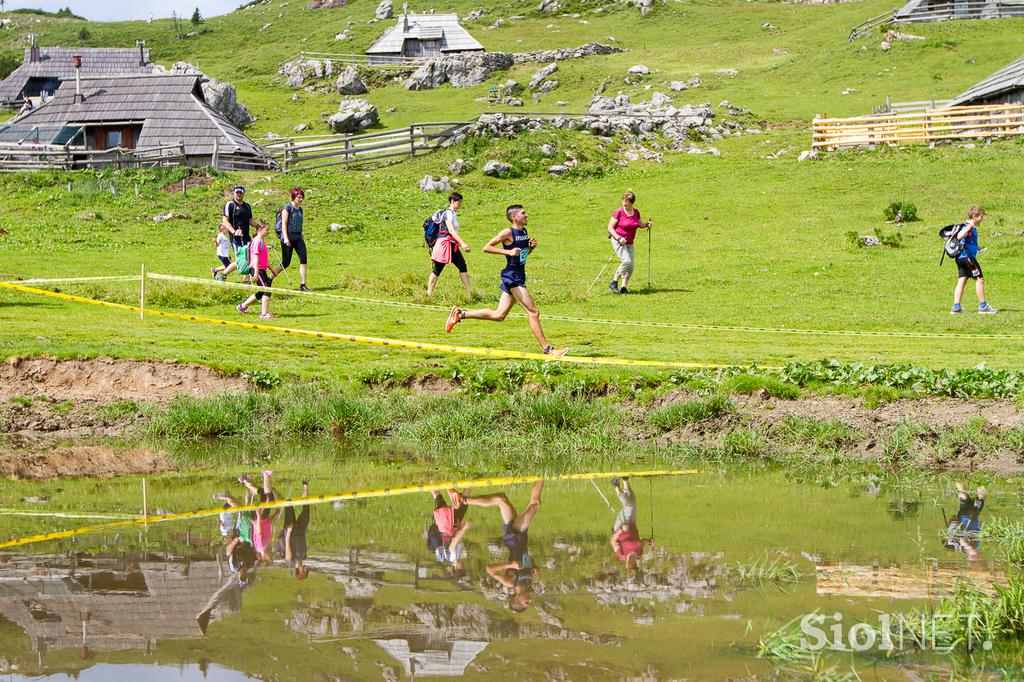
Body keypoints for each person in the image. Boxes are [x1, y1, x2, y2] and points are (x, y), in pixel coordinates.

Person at [445, 205, 568, 358]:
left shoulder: (523, 232)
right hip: (512, 277)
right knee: (533, 312)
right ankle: (549, 350)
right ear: (514, 217)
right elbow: (486, 247)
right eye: (523, 213)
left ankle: (460, 314)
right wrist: (507, 251)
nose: (527, 215)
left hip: (518, 274)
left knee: (499, 315)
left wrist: (530, 248)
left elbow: (521, 256)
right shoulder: (507, 232)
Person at [474, 481, 544, 612]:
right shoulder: (529, 582)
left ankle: (542, 472)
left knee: (535, 504)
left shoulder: (510, 582)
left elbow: (489, 569)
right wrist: (534, 567)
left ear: (517, 598)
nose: (529, 601)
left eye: (525, 603)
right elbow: (525, 559)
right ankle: (463, 500)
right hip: (521, 539)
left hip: (515, 538)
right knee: (502, 499)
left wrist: (510, 565)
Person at [951, 205, 997, 314]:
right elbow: (959, 236)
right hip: (967, 258)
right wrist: (969, 226)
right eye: (981, 216)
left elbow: (967, 241)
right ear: (974, 216)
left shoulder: (971, 226)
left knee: (962, 280)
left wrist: (977, 248)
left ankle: (956, 307)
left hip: (961, 258)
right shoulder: (969, 225)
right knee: (979, 279)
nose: (982, 218)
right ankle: (983, 307)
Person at [427, 192, 473, 298]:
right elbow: (451, 230)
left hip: (452, 244)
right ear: (453, 201)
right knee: (437, 269)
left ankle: (470, 292)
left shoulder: (453, 214)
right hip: (444, 244)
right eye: (459, 201)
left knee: (462, 265)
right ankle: (428, 295)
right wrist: (463, 243)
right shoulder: (448, 213)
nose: (461, 204)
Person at [606, 191, 652, 294]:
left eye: (626, 202)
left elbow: (639, 224)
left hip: (630, 242)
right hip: (619, 241)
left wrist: (646, 224)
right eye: (623, 201)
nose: (624, 204)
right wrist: (618, 238)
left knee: (631, 266)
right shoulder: (619, 212)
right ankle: (614, 282)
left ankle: (623, 288)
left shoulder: (636, 212)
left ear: (632, 203)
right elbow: (610, 227)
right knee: (626, 261)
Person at [609, 477, 653, 575]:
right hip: (632, 523)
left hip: (621, 526)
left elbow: (613, 542)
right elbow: (642, 542)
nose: (631, 564)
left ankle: (617, 485)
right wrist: (650, 542)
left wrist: (620, 531)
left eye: (630, 566)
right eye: (634, 566)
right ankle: (624, 481)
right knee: (633, 501)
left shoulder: (622, 555)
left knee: (629, 506)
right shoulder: (639, 554)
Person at [426, 488, 474, 576]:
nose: (463, 565)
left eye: (462, 568)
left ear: (457, 568)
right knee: (441, 499)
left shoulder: (453, 557)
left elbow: (453, 543)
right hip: (448, 524)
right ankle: (467, 485)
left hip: (447, 524)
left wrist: (465, 528)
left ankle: (434, 482)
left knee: (440, 499)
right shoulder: (452, 557)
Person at [236, 222, 274, 319]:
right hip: (257, 269)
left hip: (262, 269)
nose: (268, 232)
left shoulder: (262, 241)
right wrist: (256, 272)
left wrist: (272, 270)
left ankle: (243, 306)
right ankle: (264, 313)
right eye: (267, 229)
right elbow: (255, 257)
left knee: (261, 292)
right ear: (260, 230)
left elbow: (264, 259)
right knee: (267, 289)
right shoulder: (257, 241)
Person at [274, 187, 309, 292]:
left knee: (303, 260)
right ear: (294, 196)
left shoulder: (300, 209)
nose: (300, 199)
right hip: (288, 237)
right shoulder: (287, 208)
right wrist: (285, 239)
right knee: (286, 262)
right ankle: (269, 278)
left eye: (302, 197)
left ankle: (302, 285)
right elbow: (284, 224)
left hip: (298, 237)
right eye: (298, 197)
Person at [218, 186, 254, 282]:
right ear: (233, 193)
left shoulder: (247, 206)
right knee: (240, 260)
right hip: (236, 238)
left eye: (240, 193)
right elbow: (225, 221)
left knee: (250, 257)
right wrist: (234, 232)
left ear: (243, 193)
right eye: (237, 192)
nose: (239, 194)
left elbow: (250, 220)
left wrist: (258, 225)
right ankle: (222, 274)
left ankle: (245, 281)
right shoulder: (230, 205)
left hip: (246, 236)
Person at [278, 478, 312, 580]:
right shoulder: (304, 557)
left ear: (300, 572)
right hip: (301, 530)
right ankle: (305, 483)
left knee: (288, 506)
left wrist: (288, 531)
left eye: (305, 571)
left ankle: (274, 493)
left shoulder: (290, 560)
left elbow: (287, 543)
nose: (306, 569)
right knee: (306, 508)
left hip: (291, 531)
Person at [943, 481, 986, 560]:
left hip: (967, 515)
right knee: (971, 500)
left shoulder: (963, 545)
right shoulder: (975, 544)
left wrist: (969, 549)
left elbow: (963, 542)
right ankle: (976, 484)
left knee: (969, 500)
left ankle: (963, 486)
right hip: (970, 515)